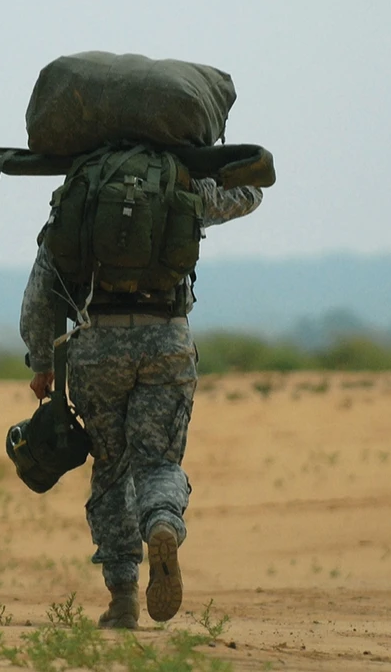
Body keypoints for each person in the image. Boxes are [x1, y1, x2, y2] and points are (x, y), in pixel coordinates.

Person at [18, 176, 264, 629]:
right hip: (166, 340)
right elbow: (248, 197)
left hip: (96, 347)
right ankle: (162, 523)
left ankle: (124, 597)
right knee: (159, 462)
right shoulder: (178, 181)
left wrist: (41, 362)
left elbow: (39, 291)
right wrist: (226, 175)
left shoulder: (80, 192)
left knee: (111, 466)